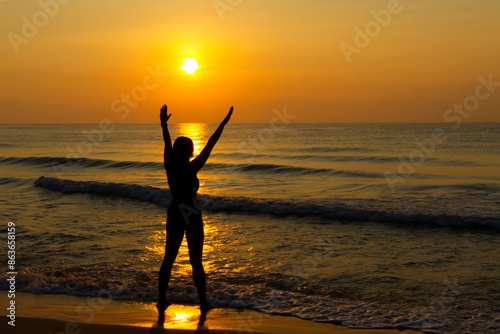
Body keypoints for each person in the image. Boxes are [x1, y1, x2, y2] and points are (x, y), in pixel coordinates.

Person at [156, 104, 233, 322]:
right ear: (189, 151)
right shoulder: (191, 168)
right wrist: (223, 123)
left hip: (174, 211)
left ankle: (162, 299)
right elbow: (210, 144)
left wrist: (163, 124)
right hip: (190, 212)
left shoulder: (170, 166)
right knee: (195, 261)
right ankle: (203, 302)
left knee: (168, 259)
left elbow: (166, 142)